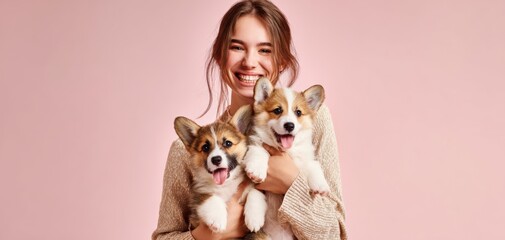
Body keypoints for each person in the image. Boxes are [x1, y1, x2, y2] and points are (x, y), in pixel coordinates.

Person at [152, 0, 347, 239]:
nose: (249, 62)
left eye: (265, 50)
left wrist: (290, 183)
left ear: (282, 60)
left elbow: (335, 233)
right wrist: (207, 236)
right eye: (237, 47)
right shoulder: (189, 151)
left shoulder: (310, 124)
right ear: (219, 55)